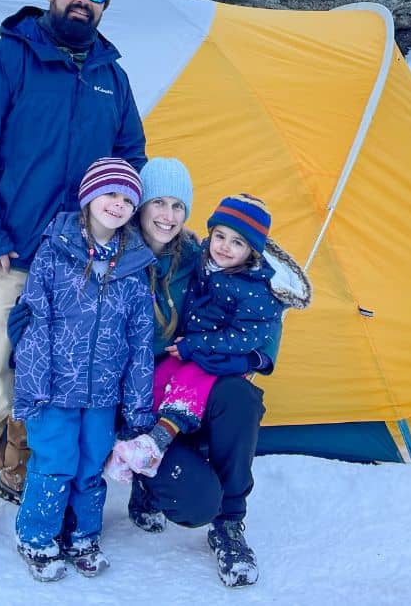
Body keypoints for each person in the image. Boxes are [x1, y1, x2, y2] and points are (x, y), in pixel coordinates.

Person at [0, 0, 146, 569]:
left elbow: (129, 153)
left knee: (49, 380)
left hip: (80, 265)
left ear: (103, 6)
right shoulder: (8, 59)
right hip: (10, 256)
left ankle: (26, 480)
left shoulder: (112, 74)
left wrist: (112, 236)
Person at [107, 169, 311, 588]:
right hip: (138, 390)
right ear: (138, 207)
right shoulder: (115, 251)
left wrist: (240, 350)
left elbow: (260, 331)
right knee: (194, 500)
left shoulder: (194, 256)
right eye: (157, 204)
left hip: (197, 378)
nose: (166, 216)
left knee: (241, 398)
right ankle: (149, 478)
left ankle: (230, 524)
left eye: (177, 206)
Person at [12, 158, 155, 582]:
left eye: (128, 198)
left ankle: (82, 535)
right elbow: (36, 318)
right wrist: (33, 384)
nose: (118, 203)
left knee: (92, 462)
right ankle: (38, 535)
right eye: (110, 193)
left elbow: (140, 341)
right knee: (55, 460)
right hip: (54, 389)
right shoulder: (55, 250)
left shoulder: (134, 266)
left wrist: (138, 407)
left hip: (102, 393)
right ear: (89, 196)